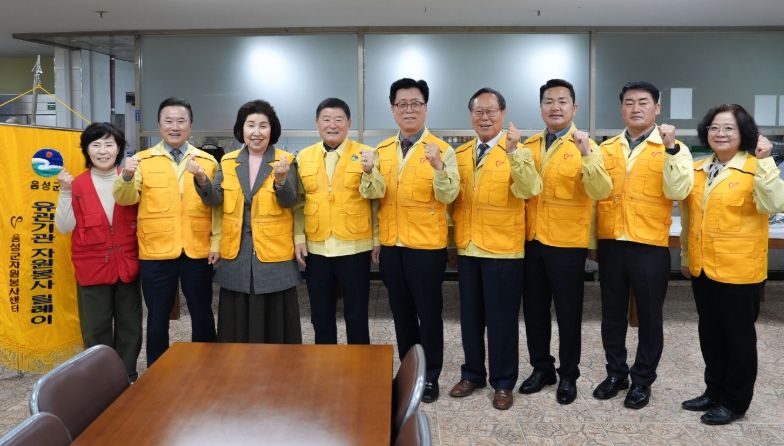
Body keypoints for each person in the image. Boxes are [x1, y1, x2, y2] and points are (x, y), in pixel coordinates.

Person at [680, 104, 784, 425]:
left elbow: (773, 203)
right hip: (703, 267)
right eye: (714, 127)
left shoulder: (757, 166)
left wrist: (766, 162)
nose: (720, 133)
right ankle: (714, 391)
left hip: (740, 271)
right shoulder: (698, 169)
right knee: (710, 335)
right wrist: (685, 256)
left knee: (738, 339)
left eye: (729, 128)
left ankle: (735, 402)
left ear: (744, 134)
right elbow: (690, 219)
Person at [593, 81, 694, 409]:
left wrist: (671, 149)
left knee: (649, 317)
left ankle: (642, 380)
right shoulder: (606, 148)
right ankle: (615, 374)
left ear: (657, 108)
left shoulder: (673, 147)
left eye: (643, 102)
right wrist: (594, 241)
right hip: (612, 243)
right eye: (629, 102)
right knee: (612, 315)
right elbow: (595, 197)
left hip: (649, 245)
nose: (636, 108)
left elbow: (678, 191)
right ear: (621, 108)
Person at [360, 78, 459, 403]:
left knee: (428, 315)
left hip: (426, 248)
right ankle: (408, 371)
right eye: (402, 104)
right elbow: (375, 198)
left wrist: (438, 166)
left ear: (425, 108)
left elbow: (449, 195)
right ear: (393, 109)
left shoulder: (442, 150)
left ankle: (429, 377)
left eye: (415, 103)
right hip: (392, 247)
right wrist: (368, 172)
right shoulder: (382, 151)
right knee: (401, 314)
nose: (409, 109)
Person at [447, 88, 542, 410]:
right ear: (471, 115)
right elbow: (453, 202)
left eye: (491, 111)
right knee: (470, 319)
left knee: (502, 322)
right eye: (479, 112)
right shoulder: (460, 154)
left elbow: (530, 189)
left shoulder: (519, 150)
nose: (484, 117)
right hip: (469, 247)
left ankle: (503, 382)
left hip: (503, 250)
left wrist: (514, 154)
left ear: (503, 114)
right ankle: (472, 374)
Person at [519, 79, 612, 405]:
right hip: (532, 240)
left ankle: (569, 375)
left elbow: (600, 191)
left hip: (567, 243)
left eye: (562, 101)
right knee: (534, 311)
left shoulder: (587, 145)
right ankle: (541, 368)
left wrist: (586, 154)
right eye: (548, 101)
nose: (555, 107)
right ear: (540, 107)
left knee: (569, 313)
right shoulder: (529, 145)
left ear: (575, 107)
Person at [113, 97, 218, 365]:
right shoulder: (142, 160)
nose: (175, 126)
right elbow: (125, 199)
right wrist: (126, 176)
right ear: (159, 125)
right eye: (168, 121)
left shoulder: (207, 161)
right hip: (156, 251)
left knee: (202, 312)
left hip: (197, 248)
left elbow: (217, 207)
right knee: (158, 316)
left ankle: (208, 367)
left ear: (190, 125)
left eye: (181, 121)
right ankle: (157, 371)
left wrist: (216, 242)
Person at [193, 99, 301, 344]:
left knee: (276, 322)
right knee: (236, 323)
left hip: (274, 254)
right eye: (250, 125)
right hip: (237, 253)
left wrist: (281, 180)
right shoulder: (228, 161)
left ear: (272, 129)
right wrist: (201, 179)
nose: (256, 132)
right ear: (241, 129)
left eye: (263, 125)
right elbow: (215, 200)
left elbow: (290, 202)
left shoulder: (285, 160)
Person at [55, 122, 142, 380]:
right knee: (95, 328)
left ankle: (127, 375)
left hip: (127, 265)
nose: (103, 151)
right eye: (96, 145)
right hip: (91, 268)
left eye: (109, 144)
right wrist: (65, 192)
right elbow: (64, 227)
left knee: (130, 326)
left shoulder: (131, 179)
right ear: (86, 150)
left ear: (119, 149)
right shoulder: (76, 184)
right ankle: (101, 380)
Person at [294, 98, 377, 344]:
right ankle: (325, 364)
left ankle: (359, 364)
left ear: (349, 123)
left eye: (339, 119)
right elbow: (298, 203)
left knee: (357, 316)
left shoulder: (366, 154)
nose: (332, 125)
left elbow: (376, 200)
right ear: (317, 124)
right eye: (326, 119)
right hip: (317, 248)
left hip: (355, 247)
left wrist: (377, 239)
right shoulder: (304, 157)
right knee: (321, 317)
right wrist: (298, 237)